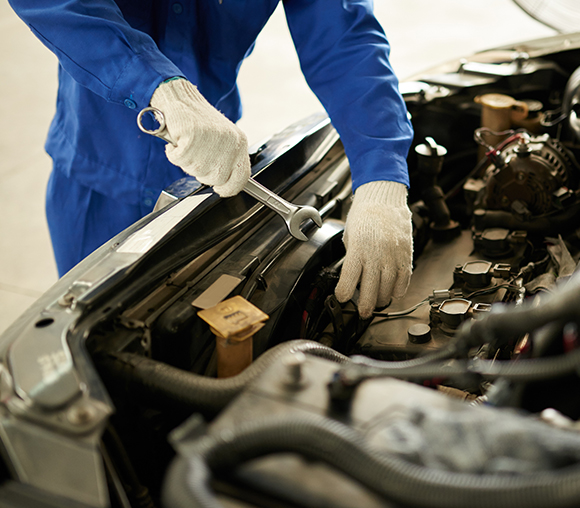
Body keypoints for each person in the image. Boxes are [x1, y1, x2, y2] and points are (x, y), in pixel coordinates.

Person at [9, 0, 414, 318]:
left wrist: (382, 176)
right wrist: (157, 86)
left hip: (208, 173)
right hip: (98, 175)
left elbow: (344, 40)